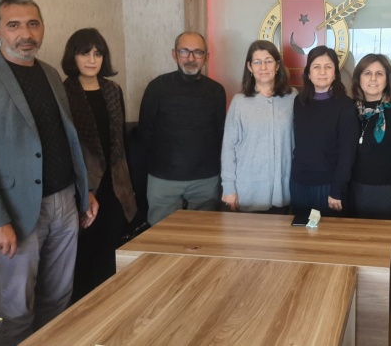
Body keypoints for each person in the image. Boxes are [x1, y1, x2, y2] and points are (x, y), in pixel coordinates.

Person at [0, 0, 97, 345]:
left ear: (42, 28)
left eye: (33, 24)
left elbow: (66, 139)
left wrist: (85, 191)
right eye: (14, 25)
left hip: (65, 202)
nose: (26, 33)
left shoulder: (50, 73)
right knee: (18, 309)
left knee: (59, 298)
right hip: (16, 211)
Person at [61, 28, 137, 301]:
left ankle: (108, 311)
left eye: (98, 53)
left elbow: (121, 142)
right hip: (82, 187)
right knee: (82, 259)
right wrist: (82, 190)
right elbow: (63, 147)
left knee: (109, 255)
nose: (92, 60)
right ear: (73, 57)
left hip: (115, 186)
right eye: (85, 53)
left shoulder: (112, 90)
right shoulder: (63, 92)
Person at [139, 32, 226, 226]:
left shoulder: (216, 91)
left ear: (206, 57)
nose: (191, 58)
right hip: (163, 180)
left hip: (205, 180)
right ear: (174, 54)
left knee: (204, 235)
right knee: (162, 237)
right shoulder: (156, 88)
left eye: (198, 52)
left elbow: (221, 135)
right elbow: (145, 133)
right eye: (184, 51)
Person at [349, 53, 391, 272]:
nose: (373, 79)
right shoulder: (350, 110)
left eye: (379, 74)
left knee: (385, 252)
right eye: (367, 73)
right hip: (355, 190)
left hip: (389, 192)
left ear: (388, 79)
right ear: (358, 78)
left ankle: (385, 292)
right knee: (359, 246)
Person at [221, 40, 296, 213]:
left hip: (283, 190)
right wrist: (228, 187)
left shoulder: (292, 98)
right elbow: (228, 148)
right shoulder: (239, 102)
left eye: (268, 61)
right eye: (257, 62)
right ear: (249, 67)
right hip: (247, 190)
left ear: (277, 66)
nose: (263, 67)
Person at [290, 46, 358, 217]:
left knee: (327, 232)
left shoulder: (346, 106)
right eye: (316, 67)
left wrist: (337, 189)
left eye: (328, 67)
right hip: (299, 182)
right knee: (300, 230)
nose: (322, 72)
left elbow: (347, 153)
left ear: (335, 73)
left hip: (328, 186)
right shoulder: (299, 102)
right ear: (308, 73)